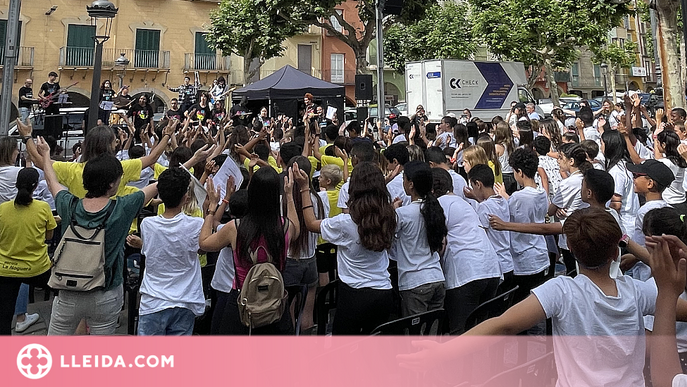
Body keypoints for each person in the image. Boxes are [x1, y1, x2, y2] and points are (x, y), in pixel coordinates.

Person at [400, 208, 668, 387]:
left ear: (571, 249)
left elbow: (503, 324)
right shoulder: (638, 291)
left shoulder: (562, 290)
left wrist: (443, 352)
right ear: (616, 250)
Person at [36, 137, 159, 335]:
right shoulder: (123, 207)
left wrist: (46, 154)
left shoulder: (69, 204)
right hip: (106, 291)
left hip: (68, 290)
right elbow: (157, 185)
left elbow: (52, 182)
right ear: (112, 184)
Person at [295, 162, 395, 334]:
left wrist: (304, 188)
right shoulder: (390, 216)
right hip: (384, 291)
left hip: (353, 294)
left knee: (345, 349)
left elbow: (311, 223)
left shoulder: (346, 223)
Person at [199, 167, 300, 335]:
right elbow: (296, 228)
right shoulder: (285, 227)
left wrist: (211, 208)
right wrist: (289, 195)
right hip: (275, 300)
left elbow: (204, 243)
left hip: (242, 300)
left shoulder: (235, 228)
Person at [138, 168, 205, 335]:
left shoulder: (147, 224)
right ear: (186, 197)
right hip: (185, 300)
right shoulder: (196, 224)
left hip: (152, 301)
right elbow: (203, 250)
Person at [434, 167, 501, 334]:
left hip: (466, 273)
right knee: (483, 330)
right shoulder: (463, 203)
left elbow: (440, 243)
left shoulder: (439, 204)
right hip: (490, 268)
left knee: (461, 332)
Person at [0, 168, 56, 335]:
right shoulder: (43, 207)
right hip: (37, 268)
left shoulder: (3, 208)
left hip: (5, 269)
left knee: (3, 316)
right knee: (61, 293)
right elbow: (49, 235)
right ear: (36, 186)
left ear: (16, 185)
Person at [392, 161, 447, 317]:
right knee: (433, 335)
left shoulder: (404, 213)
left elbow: (388, 235)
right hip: (436, 277)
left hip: (415, 282)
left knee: (416, 337)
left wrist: (394, 211)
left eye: (404, 179)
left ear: (411, 185)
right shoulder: (435, 208)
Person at [464, 164, 514, 294]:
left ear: (478, 184)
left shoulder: (483, 207)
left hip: (497, 264)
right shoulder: (502, 200)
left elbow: (482, 235)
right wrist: (475, 197)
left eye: (473, 186)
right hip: (508, 261)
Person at [548, 143, 592, 276]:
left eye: (560, 158)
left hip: (570, 235)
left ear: (571, 161)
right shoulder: (587, 176)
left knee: (574, 273)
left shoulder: (569, 182)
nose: (558, 161)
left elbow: (550, 210)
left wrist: (555, 208)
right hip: (586, 231)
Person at [38, 72, 62, 139]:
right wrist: (44, 98)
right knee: (48, 116)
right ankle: (47, 131)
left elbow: (59, 91)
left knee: (56, 116)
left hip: (54, 102)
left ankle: (56, 131)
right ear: (50, 76)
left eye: (55, 77)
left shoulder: (56, 85)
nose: (54, 78)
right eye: (53, 76)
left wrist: (62, 92)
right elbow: (39, 93)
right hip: (47, 102)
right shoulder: (45, 85)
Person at [0, 136, 22, 202]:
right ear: (10, 152)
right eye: (17, 149)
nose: (18, 152)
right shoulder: (19, 172)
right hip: (14, 210)